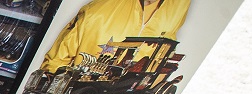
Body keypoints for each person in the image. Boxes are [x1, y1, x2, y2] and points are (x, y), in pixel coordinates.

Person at [39, 0, 190, 72]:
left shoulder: (180, 4)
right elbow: (55, 62)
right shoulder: (97, 13)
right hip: (82, 93)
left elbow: (171, 35)